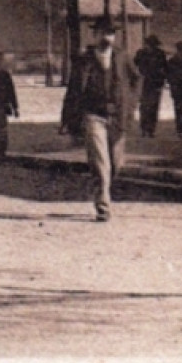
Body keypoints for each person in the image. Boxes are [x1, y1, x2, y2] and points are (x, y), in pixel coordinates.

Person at [61, 18, 139, 222]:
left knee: (116, 163)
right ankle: (103, 206)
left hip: (118, 117)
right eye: (102, 33)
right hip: (93, 115)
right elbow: (73, 91)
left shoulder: (122, 57)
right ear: (94, 36)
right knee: (100, 162)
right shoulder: (83, 60)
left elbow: (137, 79)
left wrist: (131, 103)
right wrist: (66, 119)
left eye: (110, 34)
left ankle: (102, 186)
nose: (106, 38)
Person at [133, 34, 169, 137]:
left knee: (153, 106)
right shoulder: (141, 53)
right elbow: (134, 65)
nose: (149, 46)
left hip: (155, 83)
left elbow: (165, 68)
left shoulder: (160, 54)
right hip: (144, 82)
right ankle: (144, 129)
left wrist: (162, 79)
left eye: (151, 45)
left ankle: (150, 129)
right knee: (144, 106)